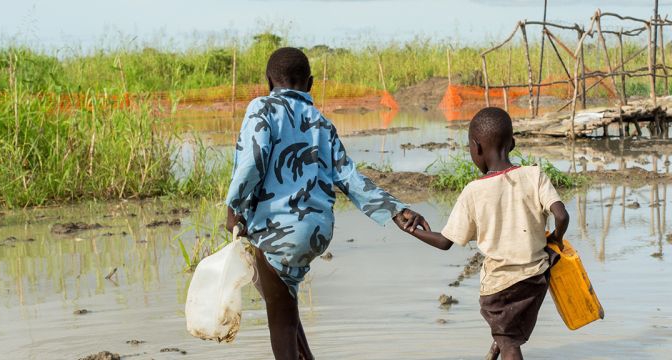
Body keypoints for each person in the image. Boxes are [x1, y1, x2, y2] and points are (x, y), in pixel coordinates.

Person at [223, 47, 427, 360]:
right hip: (317, 231)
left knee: (279, 323)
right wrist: (396, 210)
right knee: (282, 299)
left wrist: (234, 206)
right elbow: (350, 179)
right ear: (311, 84)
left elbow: (253, 161)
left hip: (278, 230)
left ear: (268, 81)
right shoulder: (321, 122)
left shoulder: (261, 107)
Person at [399, 107, 570, 360]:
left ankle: (502, 347)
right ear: (512, 143)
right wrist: (555, 237)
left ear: (476, 147)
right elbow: (562, 215)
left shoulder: (474, 192)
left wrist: (410, 229)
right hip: (536, 279)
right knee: (508, 333)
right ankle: (494, 351)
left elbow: (445, 242)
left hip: (500, 288)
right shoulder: (534, 175)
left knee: (510, 344)